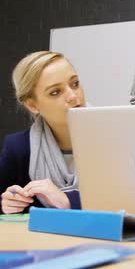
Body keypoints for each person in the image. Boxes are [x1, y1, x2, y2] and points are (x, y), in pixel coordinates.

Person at [1, 51, 86, 214]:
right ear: (32, 105)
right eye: (55, 92)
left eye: (75, 83)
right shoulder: (18, 148)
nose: (73, 96)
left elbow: (134, 200)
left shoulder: (113, 137)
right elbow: (4, 200)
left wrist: (69, 201)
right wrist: (8, 203)